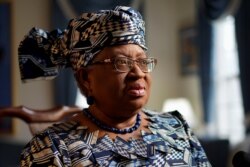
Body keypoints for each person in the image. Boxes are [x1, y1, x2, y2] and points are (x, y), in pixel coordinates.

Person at [18, 6, 211, 167]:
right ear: (86, 78)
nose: (138, 73)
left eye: (143, 61)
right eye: (121, 62)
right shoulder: (51, 149)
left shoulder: (175, 126)